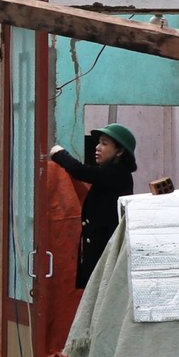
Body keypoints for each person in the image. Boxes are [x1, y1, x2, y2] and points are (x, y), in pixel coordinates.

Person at [46, 123, 137, 289]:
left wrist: (59, 154)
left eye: (104, 143)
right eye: (98, 142)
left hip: (107, 256)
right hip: (98, 255)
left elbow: (80, 171)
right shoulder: (109, 173)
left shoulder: (119, 174)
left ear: (120, 151)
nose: (97, 147)